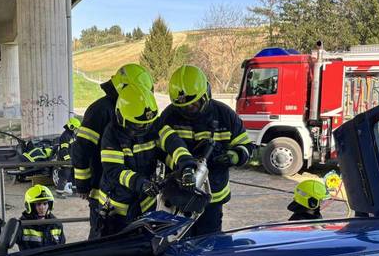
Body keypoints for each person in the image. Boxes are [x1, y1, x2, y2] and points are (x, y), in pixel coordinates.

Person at [160, 65, 254, 236]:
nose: (189, 109)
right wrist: (182, 164)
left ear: (206, 94)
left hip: (213, 197)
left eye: (194, 104)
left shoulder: (225, 115)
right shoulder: (169, 116)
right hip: (180, 195)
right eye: (183, 107)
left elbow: (247, 147)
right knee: (177, 242)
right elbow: (159, 152)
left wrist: (233, 156)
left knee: (208, 242)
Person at [99, 83, 196, 236]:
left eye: (147, 124)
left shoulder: (152, 124)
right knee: (116, 246)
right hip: (118, 207)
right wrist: (141, 183)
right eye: (138, 125)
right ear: (121, 117)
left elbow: (173, 142)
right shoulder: (111, 135)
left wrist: (186, 166)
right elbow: (115, 170)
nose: (144, 129)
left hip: (145, 203)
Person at [72, 63, 154, 239]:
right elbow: (81, 148)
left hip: (132, 190)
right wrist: (83, 184)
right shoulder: (99, 110)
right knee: (101, 237)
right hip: (103, 189)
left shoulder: (133, 108)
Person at [18, 184, 66, 250]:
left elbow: (62, 247)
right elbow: (7, 242)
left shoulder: (56, 224)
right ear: (30, 206)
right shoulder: (22, 225)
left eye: (45, 203)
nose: (42, 207)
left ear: (49, 205)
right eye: (38, 204)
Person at [54, 116, 81, 197]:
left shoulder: (72, 135)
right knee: (64, 175)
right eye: (75, 128)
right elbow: (64, 150)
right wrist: (67, 159)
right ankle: (59, 193)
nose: (76, 130)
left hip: (72, 160)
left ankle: (75, 192)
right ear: (71, 126)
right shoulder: (65, 136)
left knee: (74, 175)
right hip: (65, 160)